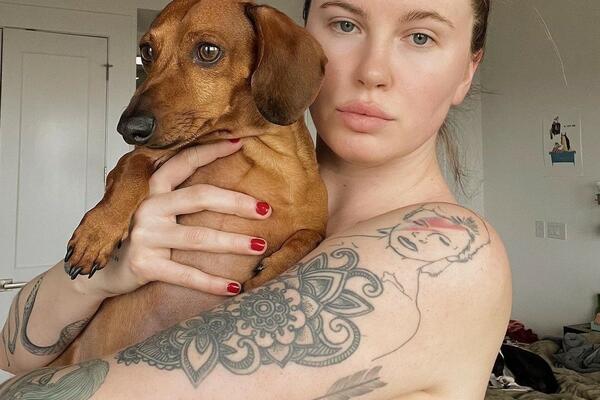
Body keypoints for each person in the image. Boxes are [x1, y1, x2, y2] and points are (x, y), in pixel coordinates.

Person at [0, 0, 512, 398]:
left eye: (420, 37)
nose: (372, 70)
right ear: (300, 40)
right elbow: (14, 352)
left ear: (468, 71)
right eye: (345, 25)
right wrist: (108, 274)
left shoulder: (445, 257)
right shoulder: (208, 169)